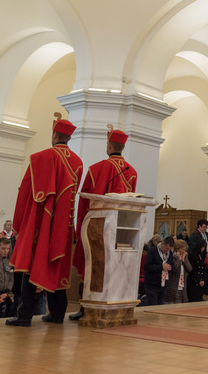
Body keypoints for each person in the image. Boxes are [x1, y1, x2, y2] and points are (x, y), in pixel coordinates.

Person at [6, 114, 83, 327]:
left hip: (40, 222)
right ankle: (57, 314)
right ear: (69, 137)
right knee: (57, 267)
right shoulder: (78, 162)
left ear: (55, 135)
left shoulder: (41, 157)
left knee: (31, 266)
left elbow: (25, 192)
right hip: (63, 227)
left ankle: (24, 316)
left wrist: (19, 222)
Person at [69, 126, 137, 321]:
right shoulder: (132, 172)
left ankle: (87, 308)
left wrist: (80, 229)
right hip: (122, 231)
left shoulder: (96, 169)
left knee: (92, 267)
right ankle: (114, 306)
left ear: (109, 146)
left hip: (97, 229)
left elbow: (84, 202)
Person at [143, 236, 174, 306]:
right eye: (166, 248)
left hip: (163, 284)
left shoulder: (170, 253)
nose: (167, 251)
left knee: (160, 306)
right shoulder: (152, 251)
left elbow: (172, 265)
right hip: (152, 284)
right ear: (162, 244)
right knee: (153, 306)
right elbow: (147, 267)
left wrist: (170, 267)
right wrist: (161, 267)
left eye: (169, 249)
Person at [165, 239, 192, 304]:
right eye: (182, 249)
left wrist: (184, 259)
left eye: (185, 250)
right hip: (173, 287)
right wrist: (179, 259)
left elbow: (190, 269)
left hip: (182, 287)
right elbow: (174, 269)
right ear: (177, 249)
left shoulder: (184, 257)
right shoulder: (172, 256)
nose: (184, 251)